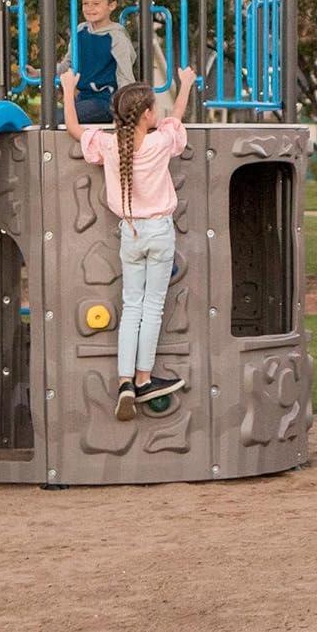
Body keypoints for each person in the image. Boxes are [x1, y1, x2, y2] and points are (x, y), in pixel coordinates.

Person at [63, 62, 196, 421]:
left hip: (130, 233)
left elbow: (74, 129)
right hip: (158, 231)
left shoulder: (110, 145)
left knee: (131, 307)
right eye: (154, 108)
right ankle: (143, 378)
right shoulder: (159, 142)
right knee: (152, 308)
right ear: (148, 115)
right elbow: (178, 117)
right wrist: (185, 83)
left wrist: (67, 89)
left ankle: (123, 381)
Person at [58, 0, 135, 125]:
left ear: (111, 5)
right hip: (83, 99)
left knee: (61, 119)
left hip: (105, 102)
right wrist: (39, 73)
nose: (89, 8)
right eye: (85, 4)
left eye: (96, 4)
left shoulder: (117, 38)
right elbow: (67, 64)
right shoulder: (80, 30)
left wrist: (124, 115)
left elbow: (125, 78)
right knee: (50, 117)